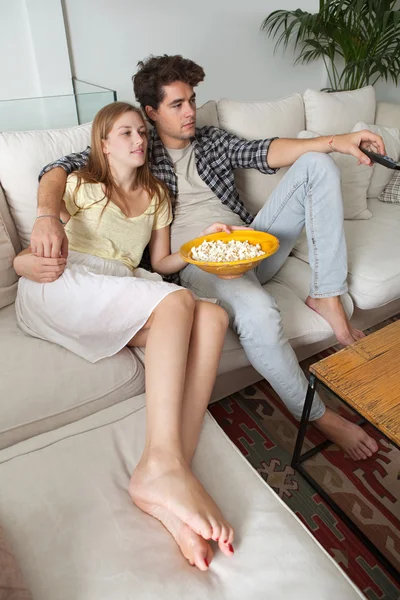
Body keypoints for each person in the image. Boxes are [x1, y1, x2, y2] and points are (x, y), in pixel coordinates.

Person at [23, 55, 384, 462]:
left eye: (192, 100)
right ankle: (318, 417)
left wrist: (337, 140)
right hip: (200, 265)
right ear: (151, 112)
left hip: (254, 244)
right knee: (260, 313)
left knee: (317, 164)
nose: (190, 112)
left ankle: (327, 295)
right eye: (177, 105)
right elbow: (59, 166)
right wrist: (45, 217)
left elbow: (266, 151)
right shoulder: (139, 149)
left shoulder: (211, 140)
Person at [13, 101, 240, 571]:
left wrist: (202, 246)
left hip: (123, 283)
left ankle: (170, 485)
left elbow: (160, 265)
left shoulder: (157, 195)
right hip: (66, 284)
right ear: (102, 144)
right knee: (178, 303)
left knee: (214, 319)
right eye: (126, 134)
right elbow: (36, 250)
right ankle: (160, 464)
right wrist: (24, 261)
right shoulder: (81, 185)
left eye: (142, 132)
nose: (139, 140)